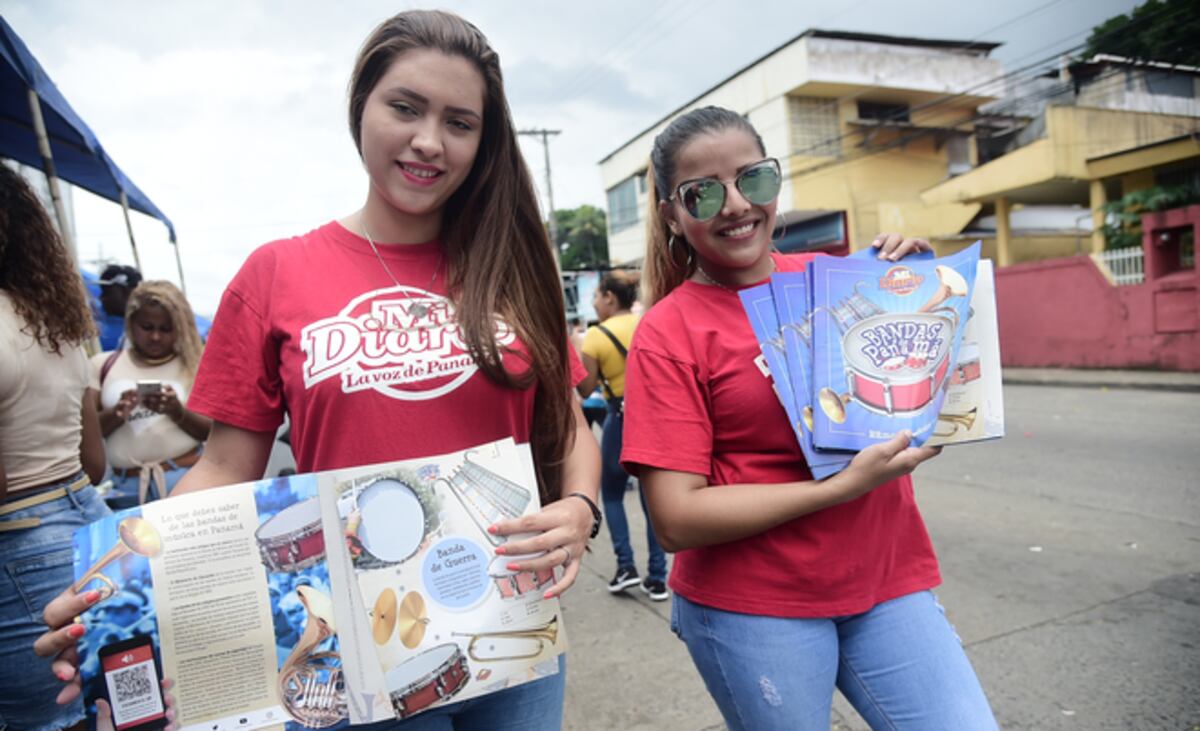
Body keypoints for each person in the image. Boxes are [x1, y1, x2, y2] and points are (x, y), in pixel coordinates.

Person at [36, 10, 601, 731]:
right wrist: (111, 584)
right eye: (405, 108)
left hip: (512, 621)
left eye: (460, 122)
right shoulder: (277, 272)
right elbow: (224, 466)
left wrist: (580, 507)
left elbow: (569, 426)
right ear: (360, 107)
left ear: (483, 142)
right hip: (358, 645)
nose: (430, 140)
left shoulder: (517, 270)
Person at [621, 106, 997, 730]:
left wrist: (922, 291)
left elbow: (910, 391)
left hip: (885, 580)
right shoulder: (667, 332)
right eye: (703, 193)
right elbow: (676, 518)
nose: (736, 205)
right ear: (671, 214)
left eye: (754, 179)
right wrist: (840, 487)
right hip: (753, 604)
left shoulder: (845, 280)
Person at [0, 164, 110, 731]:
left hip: (19, 545)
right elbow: (94, 463)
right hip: (85, 523)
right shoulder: (55, 322)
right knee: (98, 710)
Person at [576, 271, 668, 600]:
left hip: (620, 420)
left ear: (610, 298)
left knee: (612, 495)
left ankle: (626, 566)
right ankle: (658, 577)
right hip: (655, 422)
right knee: (651, 498)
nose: (594, 303)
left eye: (596, 296)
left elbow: (585, 389)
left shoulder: (596, 336)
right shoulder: (650, 322)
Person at [93, 280, 210, 509]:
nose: (155, 336)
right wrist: (117, 413)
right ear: (131, 323)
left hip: (185, 480)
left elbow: (213, 433)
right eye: (147, 327)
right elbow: (86, 433)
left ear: (179, 327)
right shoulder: (101, 366)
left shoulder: (196, 365)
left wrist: (176, 411)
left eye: (166, 329)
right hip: (125, 489)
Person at [95, 264, 142, 351]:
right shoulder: (94, 331)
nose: (101, 297)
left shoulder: (145, 332)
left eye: (107, 291)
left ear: (127, 292)